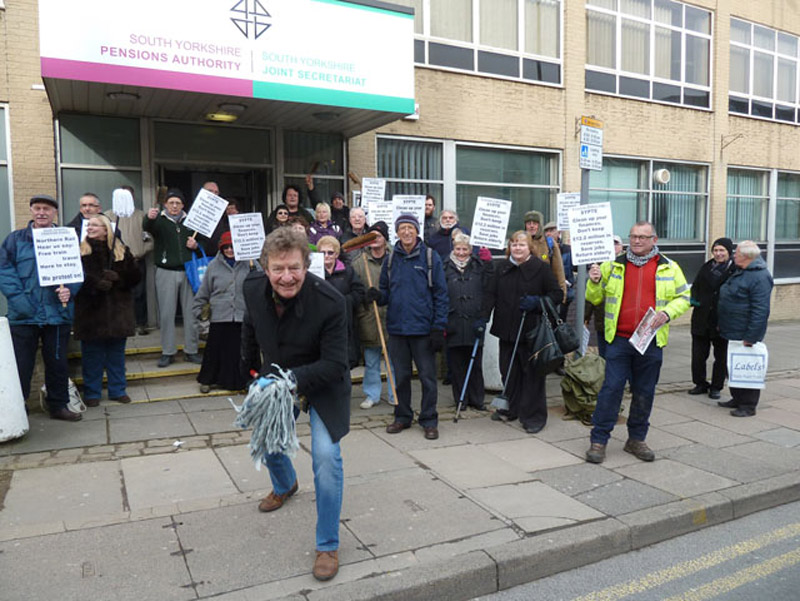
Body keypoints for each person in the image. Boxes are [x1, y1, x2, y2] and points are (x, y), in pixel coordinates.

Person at [241, 227, 350, 582]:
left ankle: (327, 544)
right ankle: (285, 484)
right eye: (277, 269)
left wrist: (290, 380)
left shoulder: (332, 302)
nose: (286, 277)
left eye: (294, 268)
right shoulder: (251, 288)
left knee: (326, 458)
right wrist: (252, 374)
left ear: (307, 265)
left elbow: (336, 364)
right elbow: (250, 327)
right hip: (276, 376)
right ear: (265, 267)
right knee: (266, 439)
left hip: (323, 381)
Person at [584, 221, 690, 464]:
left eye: (643, 237)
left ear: (655, 239)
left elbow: (685, 296)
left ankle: (636, 439)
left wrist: (668, 313)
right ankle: (598, 440)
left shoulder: (669, 267)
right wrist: (595, 281)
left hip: (650, 342)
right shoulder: (612, 265)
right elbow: (595, 298)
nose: (637, 241)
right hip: (618, 341)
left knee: (644, 392)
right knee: (611, 389)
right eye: (633, 236)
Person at [0, 194, 82, 421]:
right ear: (31, 211)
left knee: (57, 363)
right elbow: (5, 273)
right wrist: (21, 302)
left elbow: (75, 271)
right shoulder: (15, 240)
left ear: (54, 213)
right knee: (21, 365)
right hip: (23, 316)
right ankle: (19, 406)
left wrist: (70, 290)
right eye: (37, 208)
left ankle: (58, 405)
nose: (42, 212)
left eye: (47, 209)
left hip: (57, 313)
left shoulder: (66, 238)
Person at [366, 213, 448, 440]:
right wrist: (376, 295)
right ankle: (402, 416)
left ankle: (429, 419)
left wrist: (438, 327)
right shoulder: (391, 260)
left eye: (410, 228)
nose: (406, 232)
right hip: (398, 330)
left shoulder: (431, 258)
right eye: (402, 228)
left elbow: (441, 295)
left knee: (428, 378)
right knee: (400, 377)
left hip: (423, 331)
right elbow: (385, 293)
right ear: (397, 232)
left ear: (417, 231)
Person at [484, 231, 562, 433]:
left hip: (531, 332)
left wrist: (537, 302)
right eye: (514, 244)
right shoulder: (501, 267)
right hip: (506, 330)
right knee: (508, 372)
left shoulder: (541, 269)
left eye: (522, 245)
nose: (517, 248)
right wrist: (481, 318)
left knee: (532, 375)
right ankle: (511, 408)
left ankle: (533, 416)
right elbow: (491, 294)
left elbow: (557, 294)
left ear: (530, 248)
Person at [73, 214, 140, 405]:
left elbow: (136, 277)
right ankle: (92, 393)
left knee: (116, 356)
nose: (90, 228)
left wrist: (119, 277)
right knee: (91, 356)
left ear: (106, 229)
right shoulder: (80, 251)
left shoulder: (121, 251)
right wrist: (94, 284)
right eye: (89, 225)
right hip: (91, 313)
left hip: (118, 314)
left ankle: (117, 390)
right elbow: (76, 279)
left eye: (94, 225)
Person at [143, 189, 204, 367]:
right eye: (171, 203)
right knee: (167, 313)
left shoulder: (192, 221)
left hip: (188, 270)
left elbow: (205, 241)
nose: (175, 206)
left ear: (183, 205)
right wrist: (149, 217)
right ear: (165, 204)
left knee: (191, 312)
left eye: (178, 203)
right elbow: (147, 227)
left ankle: (191, 350)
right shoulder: (159, 221)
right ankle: (168, 351)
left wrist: (196, 244)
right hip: (165, 270)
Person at [716, 241, 773, 417]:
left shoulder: (760, 277)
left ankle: (748, 405)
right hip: (731, 329)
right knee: (732, 366)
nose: (733, 256)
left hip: (744, 333)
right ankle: (737, 398)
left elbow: (760, 310)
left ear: (747, 256)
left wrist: (752, 336)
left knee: (746, 368)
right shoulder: (741, 271)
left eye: (737, 253)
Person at [192, 231, 253, 394]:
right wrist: (198, 308)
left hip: (242, 313)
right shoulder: (213, 266)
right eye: (227, 247)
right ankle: (208, 380)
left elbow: (260, 283)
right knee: (215, 350)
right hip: (220, 313)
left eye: (233, 247)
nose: (230, 250)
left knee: (242, 350)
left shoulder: (250, 263)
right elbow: (204, 289)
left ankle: (244, 380)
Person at [443, 232, 492, 411]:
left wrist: (489, 263)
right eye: (458, 249)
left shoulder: (479, 266)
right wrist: (442, 321)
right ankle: (460, 399)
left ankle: (477, 399)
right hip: (453, 321)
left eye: (465, 249)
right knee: (456, 364)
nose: (461, 252)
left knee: (476, 363)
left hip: (474, 321)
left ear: (471, 250)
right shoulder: (444, 266)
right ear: (453, 249)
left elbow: (489, 287)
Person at [352, 221, 395, 408]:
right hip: (369, 317)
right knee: (371, 361)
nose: (375, 239)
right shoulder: (358, 262)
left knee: (394, 360)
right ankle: (372, 394)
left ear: (385, 238)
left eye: (378, 236)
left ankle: (395, 393)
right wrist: (363, 297)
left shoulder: (396, 259)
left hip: (392, 316)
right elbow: (353, 288)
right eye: (371, 236)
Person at [688, 238, 736, 400]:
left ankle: (716, 386)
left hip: (721, 320)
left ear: (729, 252)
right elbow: (696, 286)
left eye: (722, 250)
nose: (718, 253)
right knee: (698, 355)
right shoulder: (707, 267)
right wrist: (694, 300)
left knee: (721, 357)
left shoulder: (735, 270)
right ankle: (700, 383)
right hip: (702, 318)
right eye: (716, 250)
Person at [106, 186, 151, 336]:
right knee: (117, 294)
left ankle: (140, 324)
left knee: (139, 294)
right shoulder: (107, 216)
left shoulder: (141, 216)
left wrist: (140, 253)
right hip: (116, 264)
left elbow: (150, 239)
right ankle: (118, 323)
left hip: (136, 262)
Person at [317, 235, 365, 369]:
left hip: (345, 321)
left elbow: (359, 291)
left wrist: (345, 301)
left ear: (337, 254)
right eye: (322, 252)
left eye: (330, 252)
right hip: (321, 323)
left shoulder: (347, 271)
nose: (326, 256)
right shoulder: (313, 273)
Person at [585, 235, 623, 358]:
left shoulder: (628, 264)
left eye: (616, 244)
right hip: (603, 320)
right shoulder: (599, 266)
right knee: (604, 356)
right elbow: (592, 297)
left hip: (622, 323)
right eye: (610, 244)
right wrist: (586, 318)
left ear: (622, 247)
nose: (613, 247)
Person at [524, 211, 566, 301]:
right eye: (529, 223)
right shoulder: (520, 242)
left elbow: (558, 270)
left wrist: (562, 295)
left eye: (535, 223)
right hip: (524, 293)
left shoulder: (548, 243)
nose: (531, 226)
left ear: (540, 225)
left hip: (544, 294)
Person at [544, 222, 574, 321]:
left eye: (552, 231)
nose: (549, 234)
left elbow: (575, 268)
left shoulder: (567, 250)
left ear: (558, 232)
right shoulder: (544, 251)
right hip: (548, 294)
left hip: (564, 294)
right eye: (546, 231)